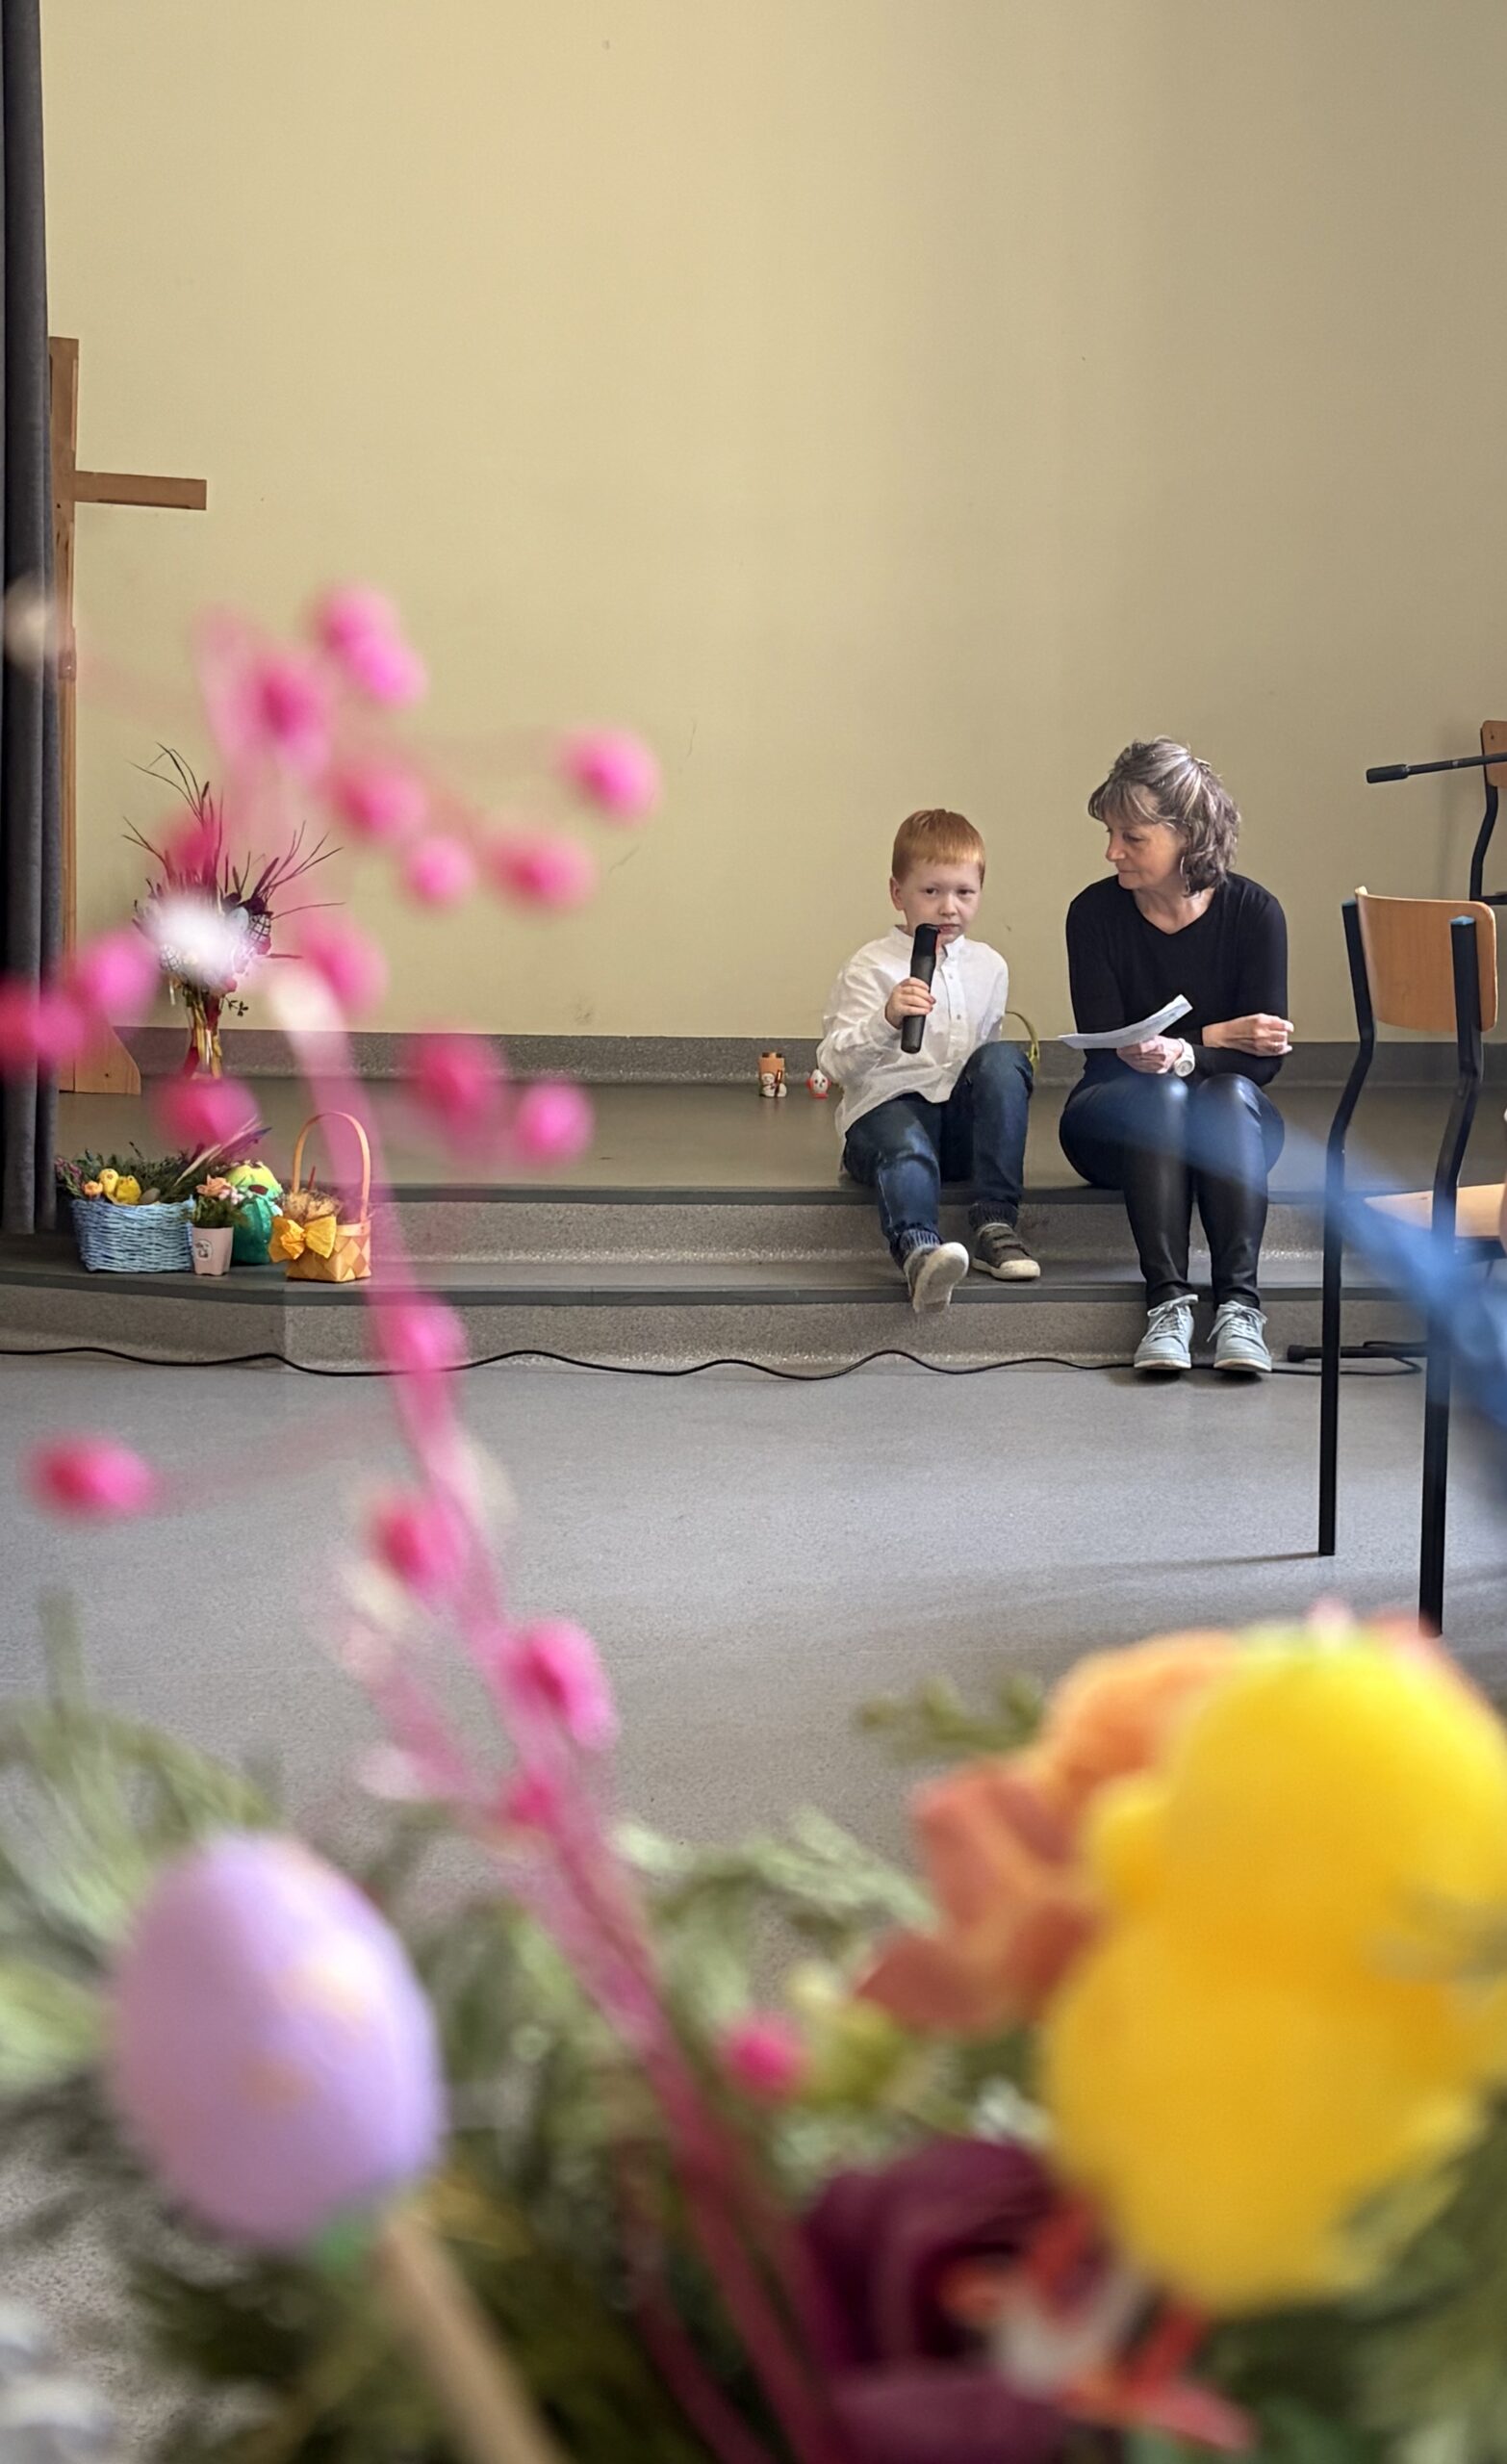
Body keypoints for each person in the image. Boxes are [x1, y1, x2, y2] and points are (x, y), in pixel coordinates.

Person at [1060, 739, 1290, 1376]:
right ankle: (1167, 1303)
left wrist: (1186, 1050)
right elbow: (1109, 1047)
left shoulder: (1256, 914)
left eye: (1131, 838)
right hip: (1114, 1121)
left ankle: (1240, 1308)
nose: (1112, 852)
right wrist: (1217, 1037)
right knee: (1158, 1093)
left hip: (1226, 1123)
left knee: (1228, 1094)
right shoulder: (1093, 914)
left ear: (1186, 835)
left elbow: (1263, 1062)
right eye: (1111, 835)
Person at [817, 808, 1037, 1313]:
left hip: (955, 1134)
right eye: (931, 891)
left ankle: (995, 1223)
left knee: (1003, 1060)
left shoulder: (990, 966)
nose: (948, 908)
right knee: (905, 1141)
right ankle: (920, 1253)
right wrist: (886, 1019)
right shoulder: (870, 965)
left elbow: (986, 1069)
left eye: (964, 892)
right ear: (898, 893)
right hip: (885, 1119)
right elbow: (834, 1064)